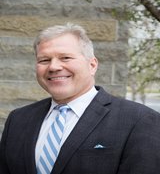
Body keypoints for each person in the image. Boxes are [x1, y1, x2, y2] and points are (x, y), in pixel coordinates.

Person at [0, 23, 160, 174]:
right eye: (44, 60)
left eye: (65, 58)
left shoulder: (139, 120)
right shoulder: (18, 119)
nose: (54, 67)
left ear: (92, 65)